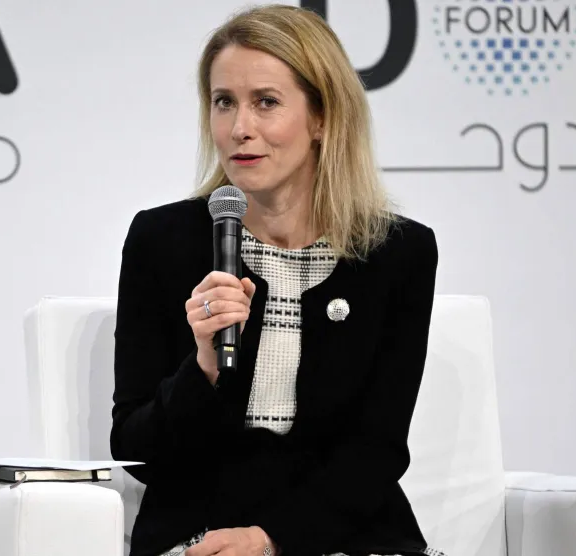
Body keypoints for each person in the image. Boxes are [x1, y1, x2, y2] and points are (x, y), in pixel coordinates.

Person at [109, 5, 443, 556]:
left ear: (321, 117)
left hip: (348, 533)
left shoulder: (397, 253)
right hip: (200, 533)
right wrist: (203, 368)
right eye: (224, 103)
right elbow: (136, 448)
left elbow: (377, 449)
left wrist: (272, 540)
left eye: (266, 102)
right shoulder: (162, 241)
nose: (240, 128)